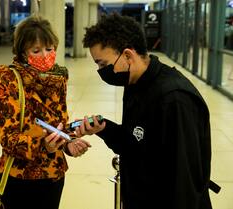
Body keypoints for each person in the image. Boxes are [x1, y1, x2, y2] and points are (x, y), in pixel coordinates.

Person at [77, 13, 214, 209]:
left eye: (103, 64)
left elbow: (184, 184)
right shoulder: (135, 83)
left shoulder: (174, 100)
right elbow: (135, 142)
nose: (101, 71)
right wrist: (103, 128)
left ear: (127, 55)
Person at [0, 15, 91, 209]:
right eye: (36, 50)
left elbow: (60, 124)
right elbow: (8, 139)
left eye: (49, 49)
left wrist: (68, 143)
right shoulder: (8, 79)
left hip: (53, 173)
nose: (45, 55)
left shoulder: (57, 78)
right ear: (23, 52)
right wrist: (44, 145)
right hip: (20, 176)